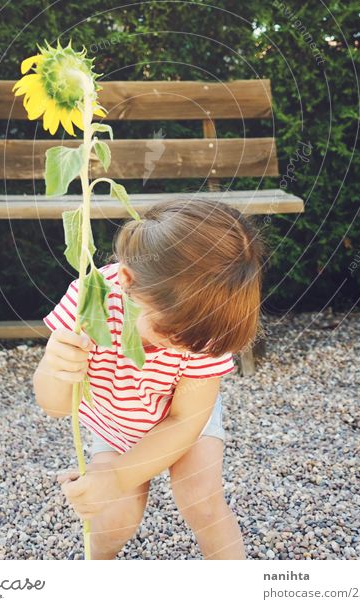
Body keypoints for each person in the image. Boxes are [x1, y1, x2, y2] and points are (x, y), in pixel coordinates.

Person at [33, 196, 266, 560]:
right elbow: (56, 404)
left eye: (199, 342)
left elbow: (185, 420)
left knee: (201, 499)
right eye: (172, 333)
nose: (186, 348)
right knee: (115, 516)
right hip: (115, 418)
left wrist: (118, 475)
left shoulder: (203, 328)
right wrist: (54, 368)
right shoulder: (87, 301)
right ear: (127, 280)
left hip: (185, 418)